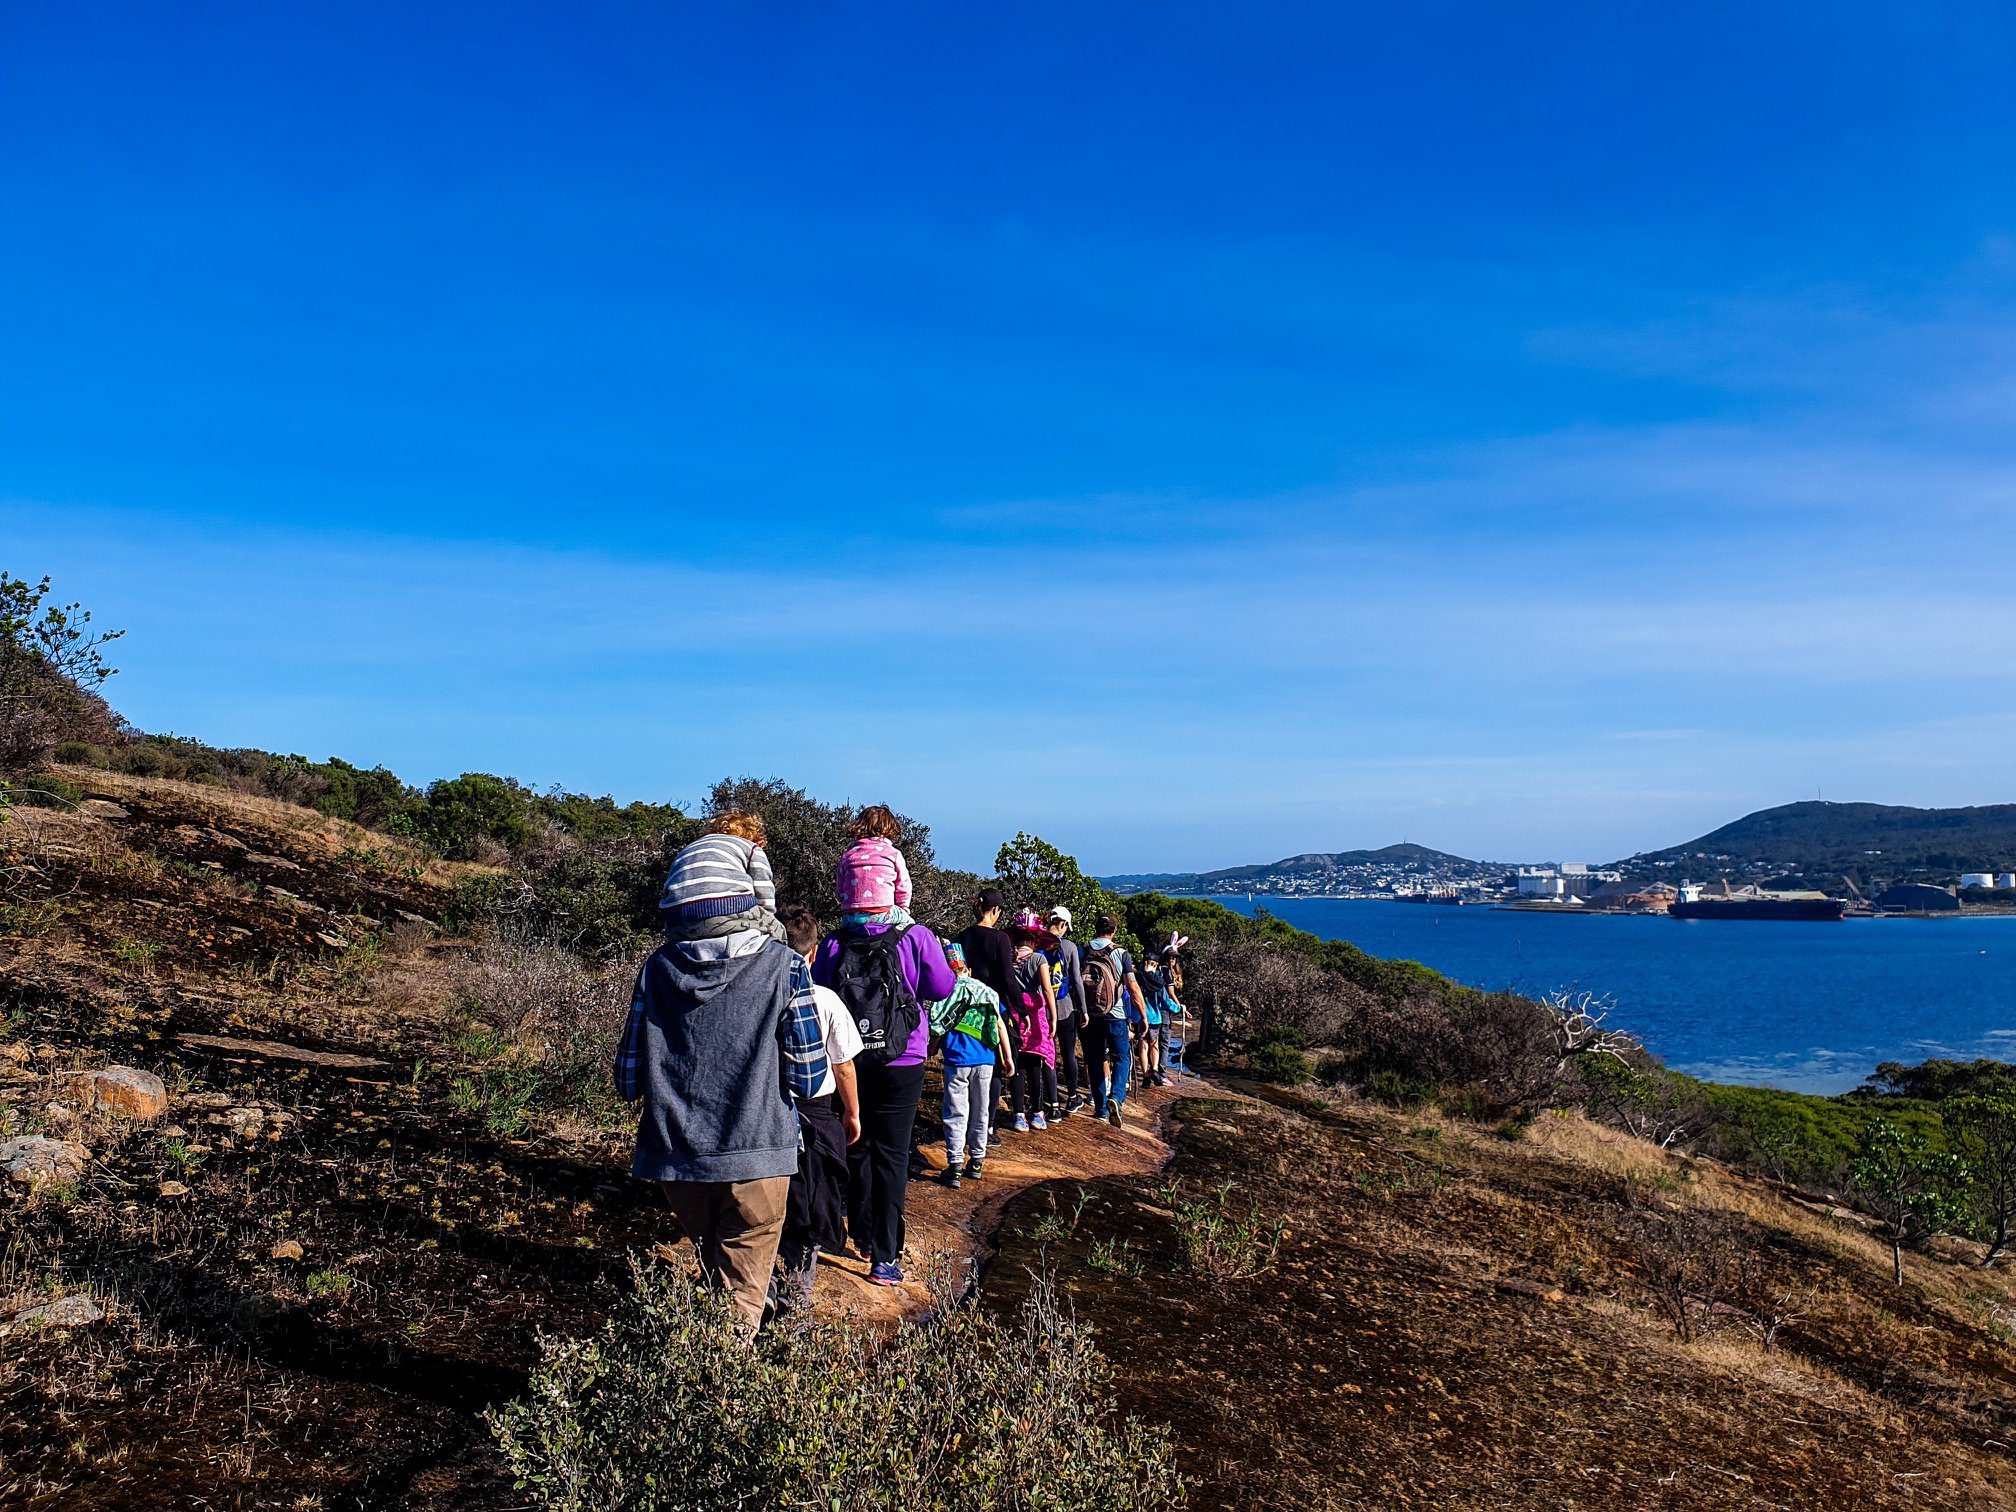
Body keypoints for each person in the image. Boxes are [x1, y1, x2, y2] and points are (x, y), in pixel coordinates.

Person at [614, 833, 829, 1336]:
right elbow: (810, 1078)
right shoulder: (786, 967)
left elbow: (628, 1077)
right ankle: (721, 1398)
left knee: (718, 1269)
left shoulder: (656, 969)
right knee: (741, 1299)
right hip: (756, 1155)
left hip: (677, 1160)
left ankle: (705, 1370)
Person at [812, 890, 956, 1288]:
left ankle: (860, 1234)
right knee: (893, 1157)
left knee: (857, 1146)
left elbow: (819, 989)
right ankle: (885, 1257)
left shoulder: (834, 941)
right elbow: (942, 988)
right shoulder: (916, 936)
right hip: (903, 1056)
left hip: (850, 1059)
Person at [771, 905, 863, 1314]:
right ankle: (795, 1309)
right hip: (817, 1112)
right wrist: (852, 1112)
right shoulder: (825, 999)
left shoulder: (764, 997)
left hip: (769, 1111)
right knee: (808, 1216)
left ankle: (767, 1294)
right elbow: (843, 1065)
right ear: (813, 953)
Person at [930, 942, 1011, 1188]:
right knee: (981, 1110)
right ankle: (976, 1162)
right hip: (986, 1060)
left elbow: (937, 1028)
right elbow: (999, 1025)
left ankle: (954, 1166)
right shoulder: (987, 992)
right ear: (970, 970)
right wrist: (1007, 1057)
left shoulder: (945, 992)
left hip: (957, 1060)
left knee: (956, 1111)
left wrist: (930, 1052)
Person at [658, 810, 787, 944]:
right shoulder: (751, 848)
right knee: (778, 931)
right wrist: (768, 921)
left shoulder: (688, 849)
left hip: (676, 919)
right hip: (725, 911)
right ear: (754, 833)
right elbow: (765, 897)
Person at [1081, 914, 1148, 1128]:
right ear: (1114, 930)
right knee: (1121, 1058)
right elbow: (1132, 986)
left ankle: (1100, 1109)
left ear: (1096, 928)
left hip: (1090, 1014)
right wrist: (1142, 1015)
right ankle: (1116, 1098)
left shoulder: (1083, 949)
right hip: (1116, 1014)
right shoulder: (1120, 952)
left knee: (1094, 1060)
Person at [1004, 910, 1059, 1131]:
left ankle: (1018, 1115)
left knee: (1017, 1064)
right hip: (1035, 1016)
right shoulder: (1039, 959)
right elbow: (1047, 988)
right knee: (1035, 1063)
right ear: (1035, 940)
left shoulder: (1008, 957)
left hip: (1014, 1013)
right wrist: (1053, 1017)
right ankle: (1037, 1113)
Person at [1043, 906, 1091, 1117]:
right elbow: (1077, 981)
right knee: (1068, 1053)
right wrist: (1084, 1009)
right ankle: (1072, 1097)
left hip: (1043, 1009)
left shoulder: (1038, 944)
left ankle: (1051, 1101)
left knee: (1048, 1054)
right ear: (1062, 924)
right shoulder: (1070, 947)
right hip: (1065, 1007)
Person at [836, 803, 915, 927]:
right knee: (912, 926)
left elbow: (840, 891)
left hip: (851, 916)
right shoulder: (893, 853)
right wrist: (903, 909)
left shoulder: (847, 855)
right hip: (882, 913)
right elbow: (904, 887)